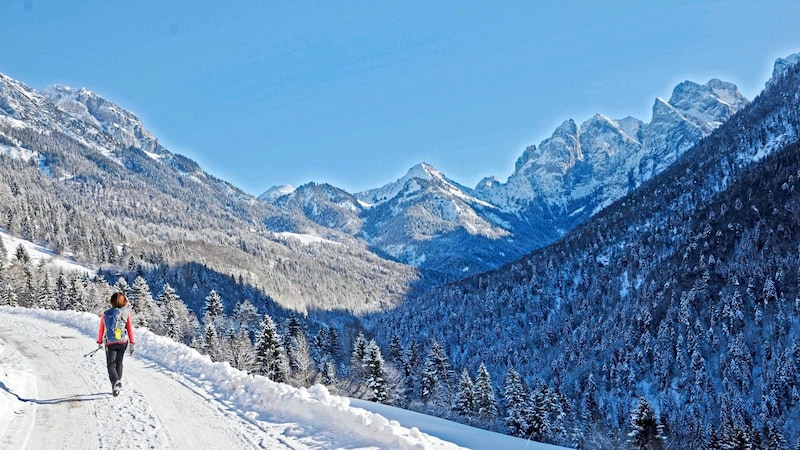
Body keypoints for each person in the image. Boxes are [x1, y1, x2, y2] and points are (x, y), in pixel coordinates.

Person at [97, 292, 135, 397]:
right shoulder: (126, 313)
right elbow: (129, 329)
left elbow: (101, 329)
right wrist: (132, 343)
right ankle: (117, 385)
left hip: (110, 342)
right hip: (123, 341)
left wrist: (99, 341)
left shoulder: (106, 313)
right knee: (119, 363)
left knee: (110, 364)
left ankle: (115, 382)